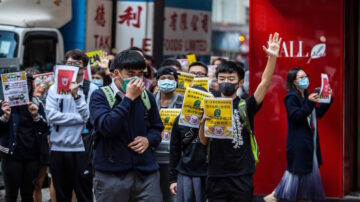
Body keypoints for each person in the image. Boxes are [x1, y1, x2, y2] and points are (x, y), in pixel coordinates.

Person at [198, 32, 281, 201]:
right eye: (222, 78)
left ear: (240, 82)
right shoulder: (209, 104)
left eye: (231, 78)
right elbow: (203, 141)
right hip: (215, 173)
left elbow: (264, 83)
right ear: (217, 81)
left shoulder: (246, 105)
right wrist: (202, 123)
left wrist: (272, 58)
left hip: (242, 173)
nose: (226, 81)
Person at [90, 49, 164, 201]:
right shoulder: (100, 95)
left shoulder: (147, 96)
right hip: (111, 174)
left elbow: (157, 129)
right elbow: (107, 127)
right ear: (116, 73)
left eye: (140, 74)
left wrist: (148, 140)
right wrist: (128, 98)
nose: (136, 79)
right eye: (131, 74)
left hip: (146, 173)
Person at [264, 67, 332, 202]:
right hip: (298, 144)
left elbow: (317, 114)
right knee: (298, 175)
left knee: (301, 178)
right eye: (301, 77)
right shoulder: (291, 97)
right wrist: (309, 103)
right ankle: (274, 196)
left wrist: (327, 98)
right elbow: (296, 116)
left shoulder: (306, 96)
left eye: (305, 76)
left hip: (308, 143)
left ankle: (275, 196)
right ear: (294, 82)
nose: (305, 79)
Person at [46, 49, 97, 202]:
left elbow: (89, 117)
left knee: (84, 194)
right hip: (58, 149)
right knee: (62, 195)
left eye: (77, 64)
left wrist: (76, 96)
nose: (72, 67)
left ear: (84, 68)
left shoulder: (92, 89)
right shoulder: (54, 88)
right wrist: (78, 118)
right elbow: (51, 115)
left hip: (82, 149)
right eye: (69, 64)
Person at [0, 73, 50, 202]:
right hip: (11, 156)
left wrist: (35, 116)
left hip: (32, 157)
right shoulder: (4, 104)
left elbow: (45, 129)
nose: (25, 86)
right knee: (11, 195)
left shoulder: (36, 103)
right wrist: (4, 117)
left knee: (28, 194)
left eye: (28, 83)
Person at [169, 86, 209, 202]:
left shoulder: (213, 121)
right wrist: (173, 180)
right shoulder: (180, 120)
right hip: (186, 173)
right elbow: (174, 150)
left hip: (209, 173)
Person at [153, 66, 183, 202]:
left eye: (170, 78)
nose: (166, 81)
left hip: (175, 157)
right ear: (157, 81)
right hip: (153, 156)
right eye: (163, 78)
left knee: (173, 196)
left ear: (176, 82)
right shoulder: (150, 100)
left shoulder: (183, 102)